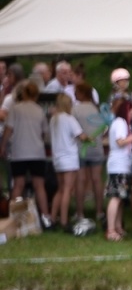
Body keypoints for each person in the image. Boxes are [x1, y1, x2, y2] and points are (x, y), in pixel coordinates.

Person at [4, 81, 51, 225]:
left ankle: (13, 219)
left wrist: (3, 145)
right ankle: (46, 217)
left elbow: (8, 129)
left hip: (19, 152)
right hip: (37, 152)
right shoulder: (39, 110)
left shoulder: (15, 109)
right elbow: (44, 132)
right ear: (36, 95)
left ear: (23, 93)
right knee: (39, 186)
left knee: (18, 185)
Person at [48, 93, 88, 230]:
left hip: (57, 158)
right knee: (67, 190)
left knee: (60, 189)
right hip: (69, 159)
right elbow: (81, 136)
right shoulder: (70, 119)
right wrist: (89, 138)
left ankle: (53, 218)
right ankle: (64, 221)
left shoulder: (53, 119)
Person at [72, 82, 106, 226]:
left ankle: (80, 212)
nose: (74, 94)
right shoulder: (97, 109)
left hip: (81, 149)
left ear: (81, 93)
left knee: (80, 180)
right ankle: (99, 211)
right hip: (97, 148)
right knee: (97, 180)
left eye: (76, 91)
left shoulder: (75, 110)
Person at [103, 98, 132, 241]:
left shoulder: (122, 123)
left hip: (123, 165)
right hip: (118, 166)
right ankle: (111, 230)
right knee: (116, 197)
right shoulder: (120, 123)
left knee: (121, 198)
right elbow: (120, 141)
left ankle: (118, 227)